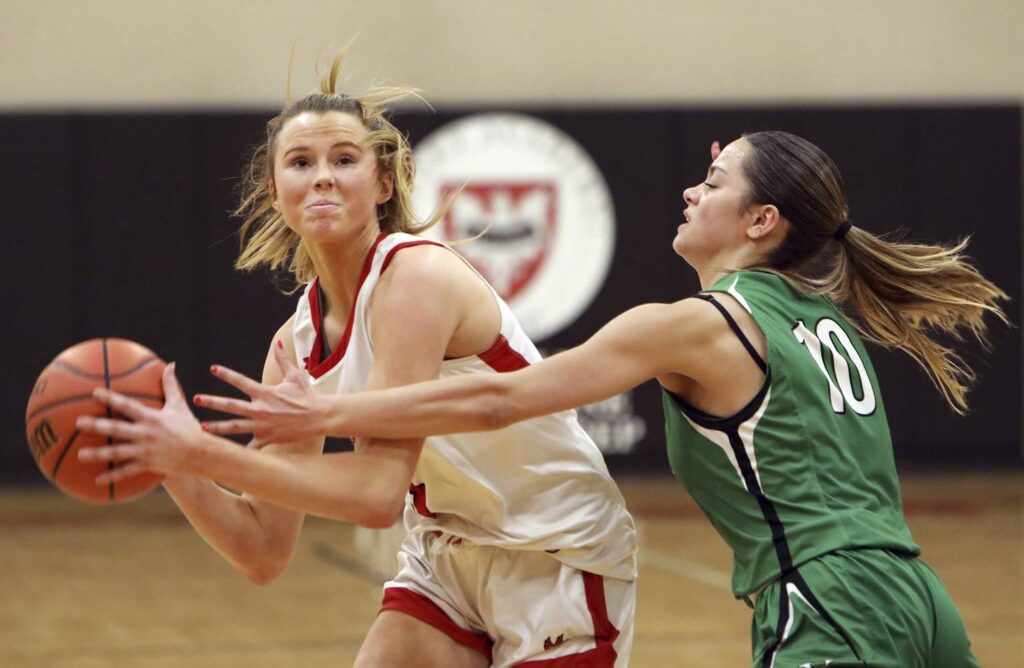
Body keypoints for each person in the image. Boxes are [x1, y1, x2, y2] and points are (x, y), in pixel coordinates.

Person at [179, 131, 1005, 667]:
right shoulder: (822, 320)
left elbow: (505, 403)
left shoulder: (694, 325)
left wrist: (321, 415)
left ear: (760, 221)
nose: (690, 191)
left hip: (822, 599)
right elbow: (266, 548)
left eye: (711, 180)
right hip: (914, 593)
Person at [76, 55, 638, 668]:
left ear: (383, 183)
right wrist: (170, 461)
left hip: (555, 555)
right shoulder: (293, 346)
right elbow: (262, 548)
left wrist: (204, 453)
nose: (322, 177)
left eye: (344, 160)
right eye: (300, 163)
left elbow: (376, 491)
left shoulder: (415, 275)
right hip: (445, 559)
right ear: (275, 190)